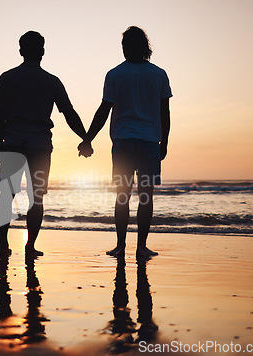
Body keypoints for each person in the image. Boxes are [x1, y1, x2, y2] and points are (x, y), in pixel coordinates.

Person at [0, 31, 88, 258]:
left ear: (21, 51)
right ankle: (30, 246)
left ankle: (3, 246)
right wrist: (85, 138)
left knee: (6, 196)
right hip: (40, 146)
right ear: (42, 51)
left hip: (12, 144)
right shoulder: (51, 81)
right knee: (36, 198)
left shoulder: (7, 77)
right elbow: (69, 113)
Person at [78, 26, 172, 258]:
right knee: (146, 195)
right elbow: (165, 113)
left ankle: (121, 246)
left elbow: (103, 111)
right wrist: (165, 142)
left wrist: (88, 139)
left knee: (122, 195)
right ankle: (141, 247)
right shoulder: (159, 74)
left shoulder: (115, 74)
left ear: (128, 48)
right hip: (149, 143)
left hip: (123, 143)